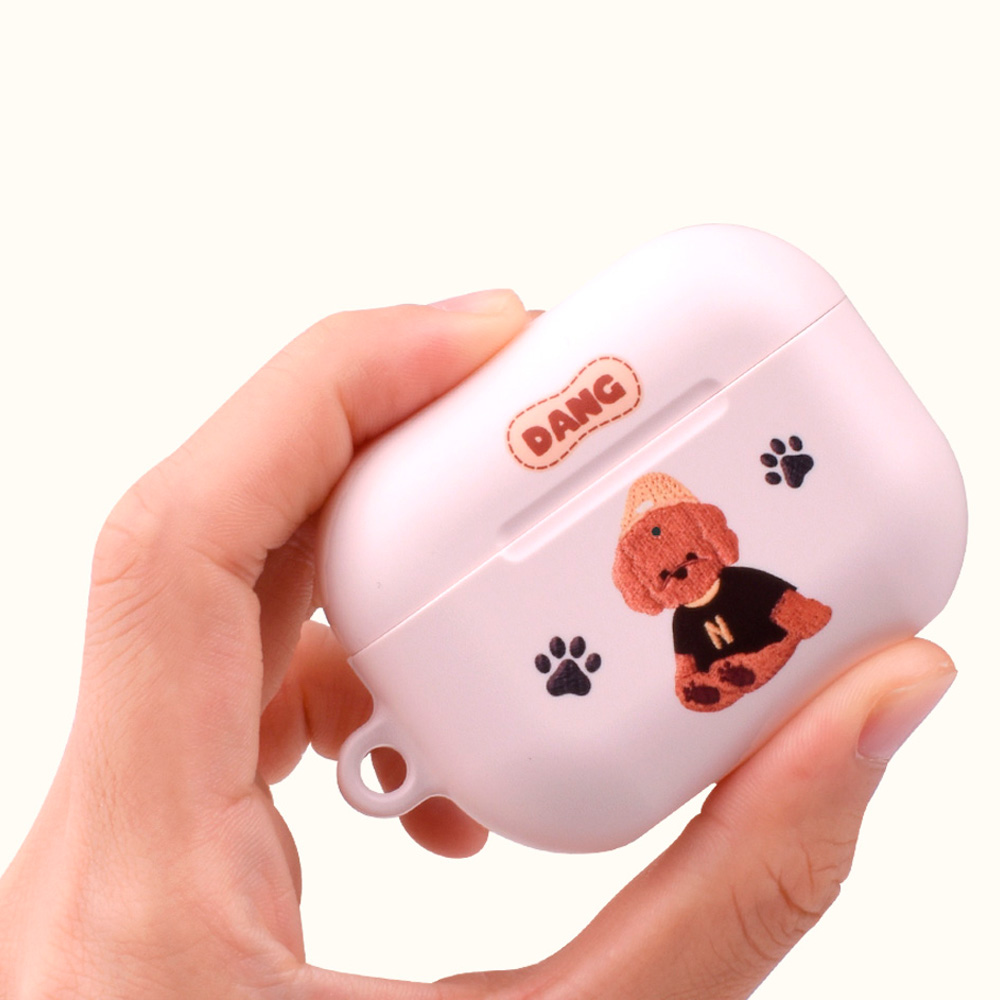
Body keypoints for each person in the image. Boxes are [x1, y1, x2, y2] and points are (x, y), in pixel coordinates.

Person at [0, 290, 955, 999]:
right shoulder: (737, 303)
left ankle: (757, 646)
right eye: (654, 556)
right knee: (700, 652)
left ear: (714, 533)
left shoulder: (744, 320)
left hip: (751, 494)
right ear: (637, 572)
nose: (674, 564)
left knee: (770, 609)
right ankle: (723, 668)